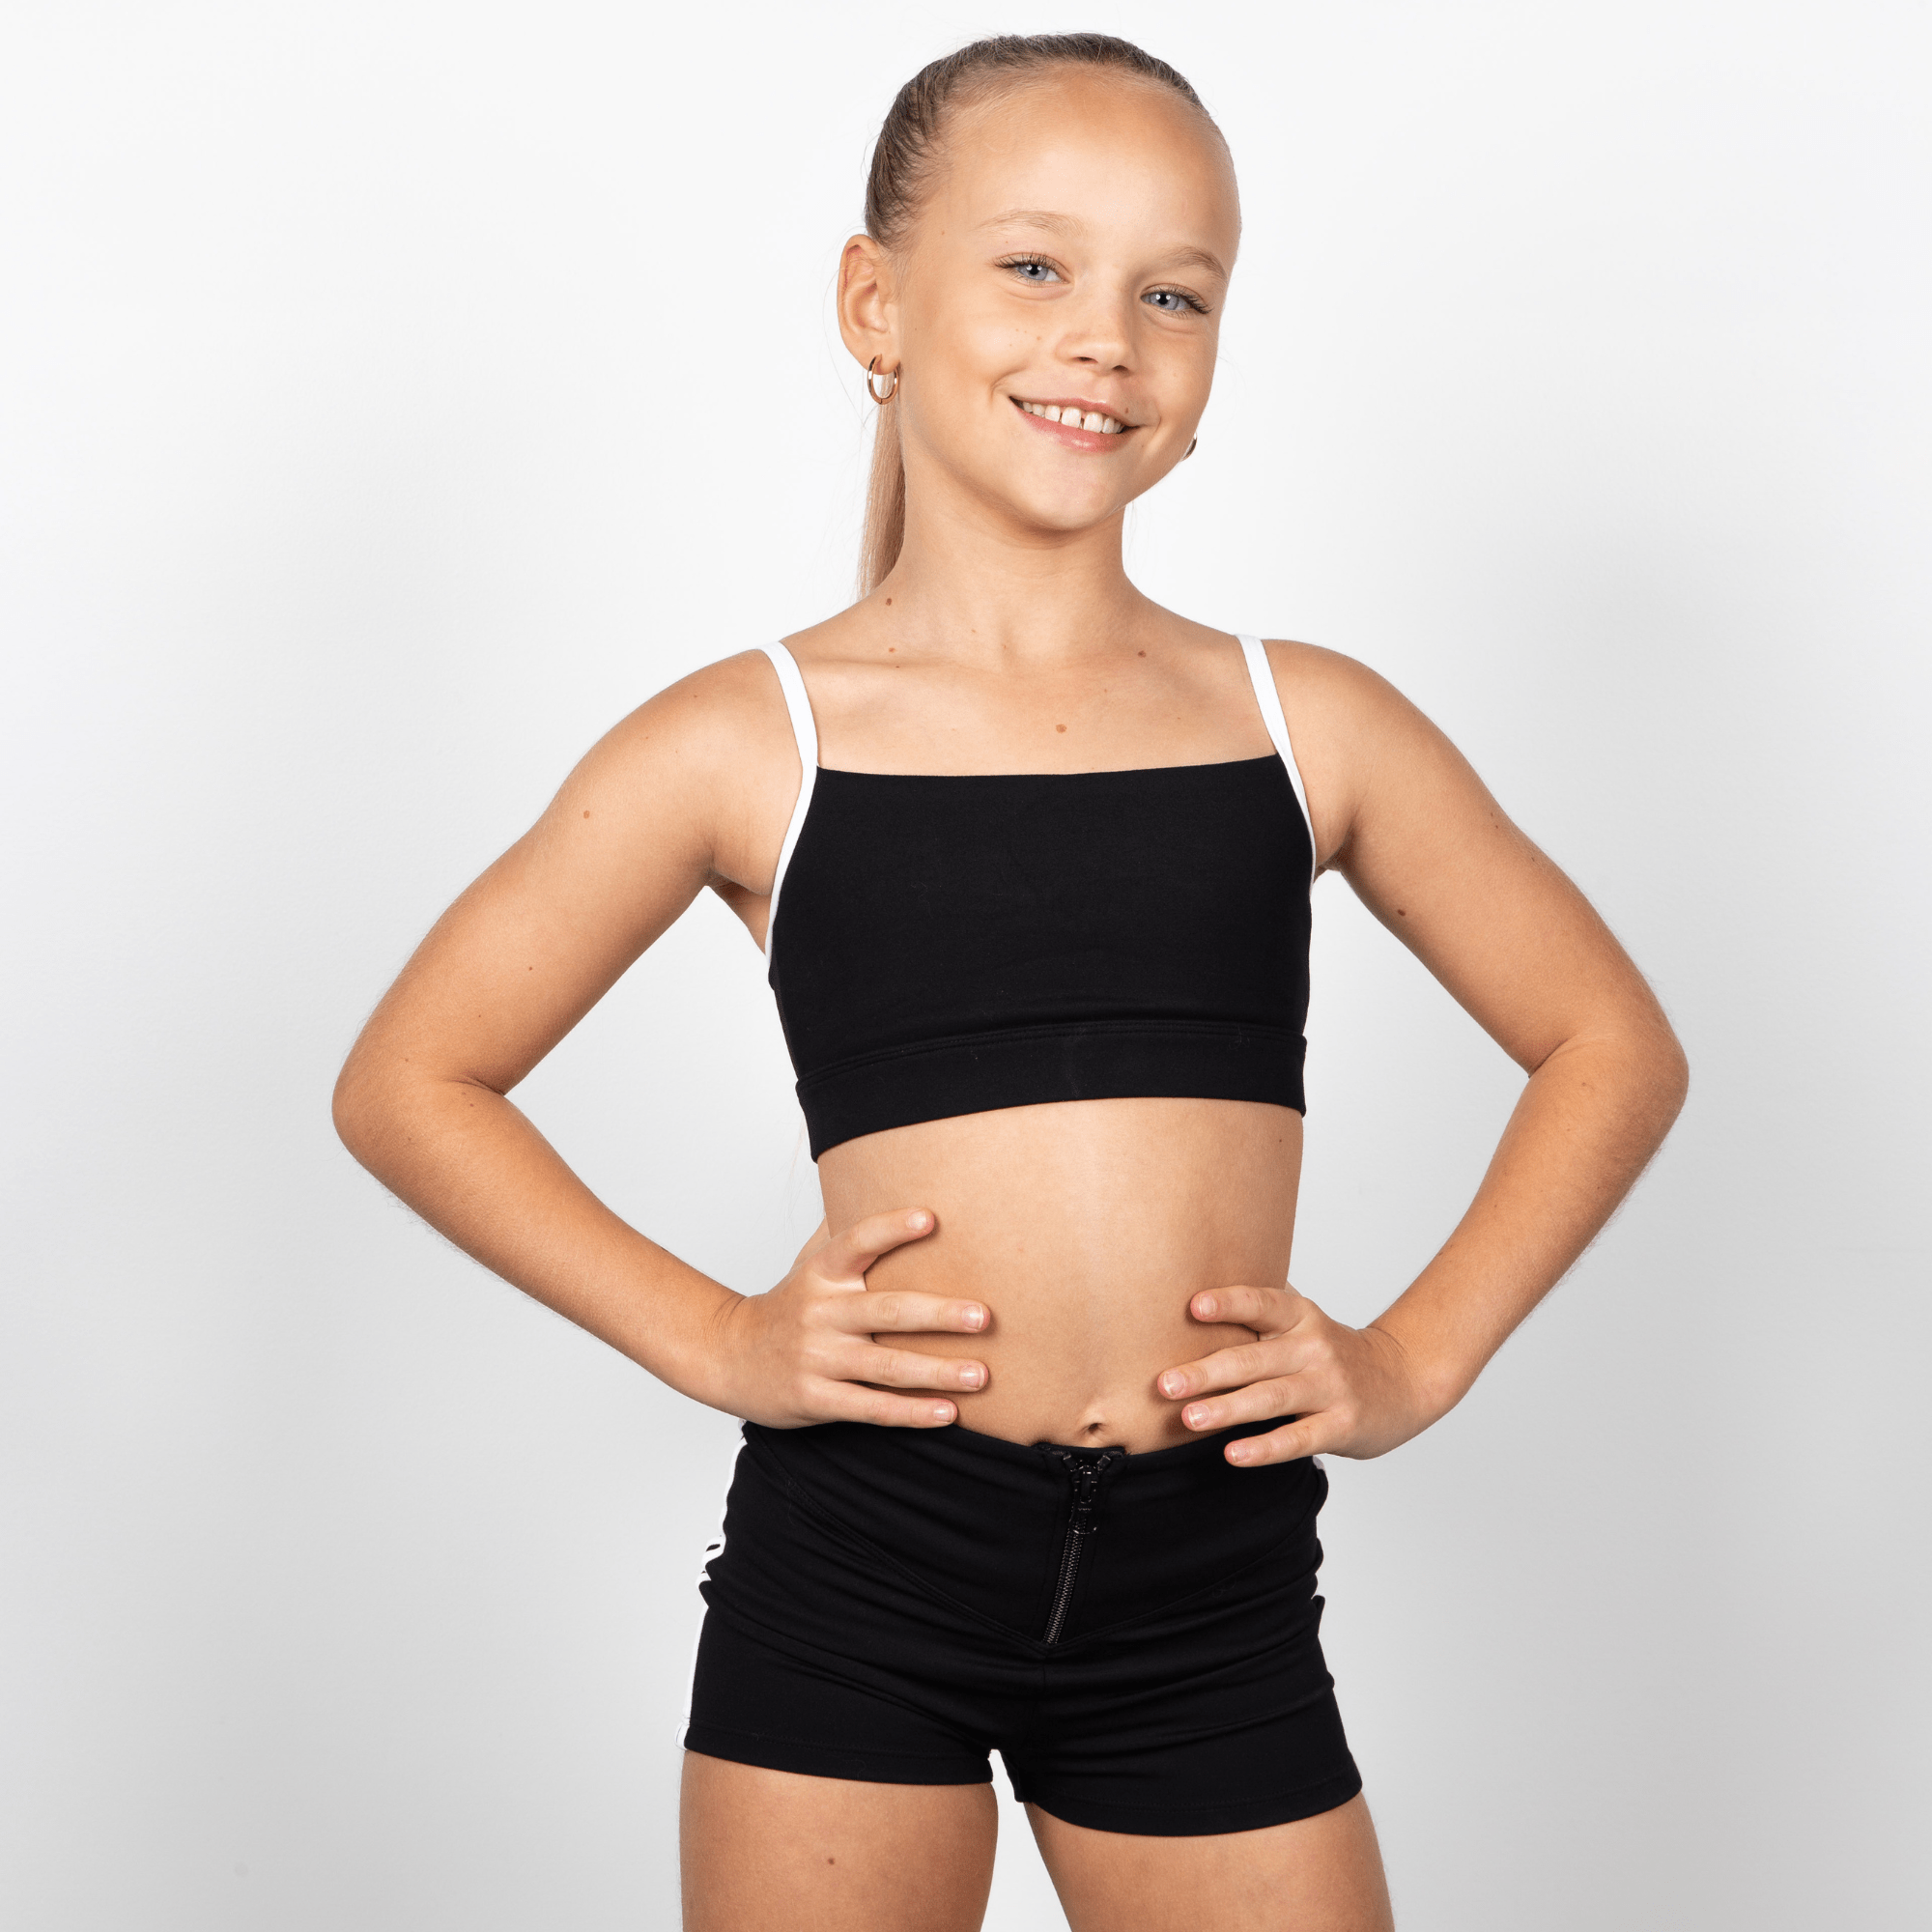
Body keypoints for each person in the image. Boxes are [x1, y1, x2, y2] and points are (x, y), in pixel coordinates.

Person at [332, 32, 1688, 1932]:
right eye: (1035, 265)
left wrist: (1413, 1359)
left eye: (1173, 293)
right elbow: (411, 1079)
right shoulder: (754, 739)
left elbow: (1608, 1040)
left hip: (1213, 1585)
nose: (1104, 339)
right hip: (866, 1562)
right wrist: (715, 1338)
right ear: (874, 304)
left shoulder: (1306, 721)